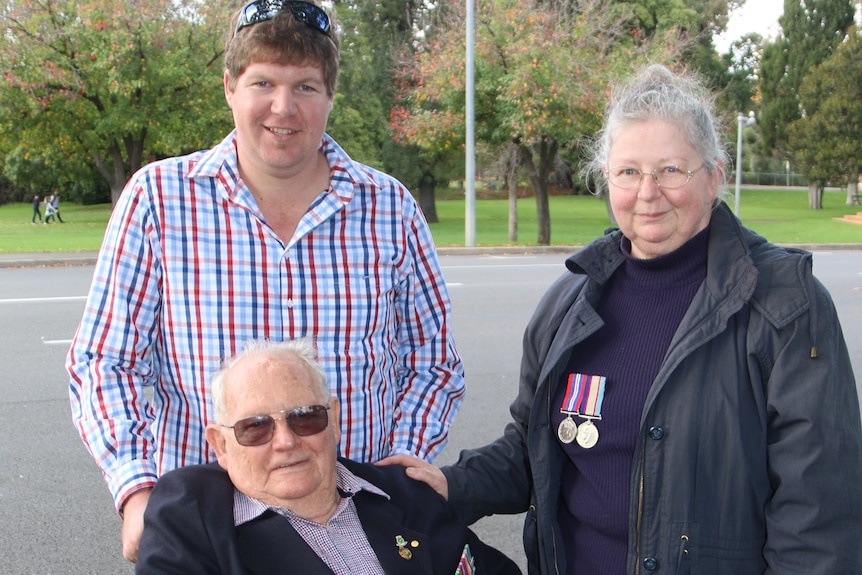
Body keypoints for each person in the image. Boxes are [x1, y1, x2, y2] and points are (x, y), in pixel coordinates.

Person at [385, 64, 862, 574]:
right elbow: (533, 451)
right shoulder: (570, 301)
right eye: (629, 171)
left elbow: (818, 516)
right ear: (607, 178)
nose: (648, 192)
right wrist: (451, 483)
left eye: (672, 170)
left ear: (715, 176)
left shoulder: (785, 304)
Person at [67, 0, 464, 563]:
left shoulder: (388, 208)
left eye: (305, 86)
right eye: (263, 82)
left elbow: (434, 361)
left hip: (352, 525)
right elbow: (104, 363)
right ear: (230, 86)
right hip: (209, 534)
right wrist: (136, 492)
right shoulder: (158, 200)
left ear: (330, 94)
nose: (284, 107)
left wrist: (399, 461)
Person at [135, 338, 519, 575]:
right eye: (256, 427)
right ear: (221, 445)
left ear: (333, 421)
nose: (285, 442)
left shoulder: (401, 492)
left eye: (305, 418)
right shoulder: (190, 520)